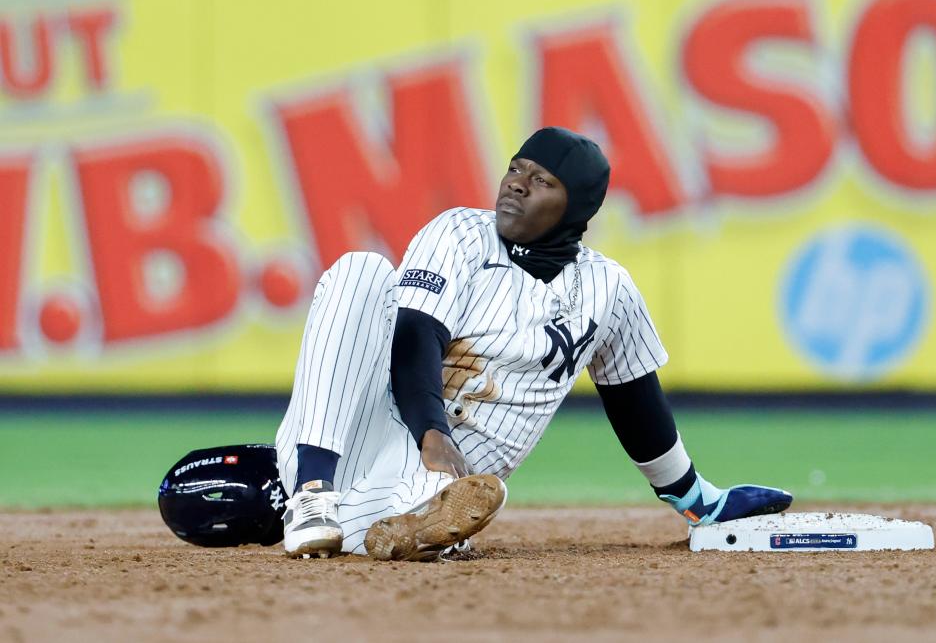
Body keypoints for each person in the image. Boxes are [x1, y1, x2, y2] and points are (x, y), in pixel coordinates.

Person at [275, 127, 792, 560]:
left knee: (460, 500)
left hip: (439, 480)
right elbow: (415, 335)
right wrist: (431, 430)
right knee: (360, 270)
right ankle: (312, 494)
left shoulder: (607, 288)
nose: (518, 185)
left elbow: (637, 403)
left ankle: (400, 525)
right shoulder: (459, 232)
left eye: (542, 180)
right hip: (358, 429)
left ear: (577, 209)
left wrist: (697, 501)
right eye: (516, 168)